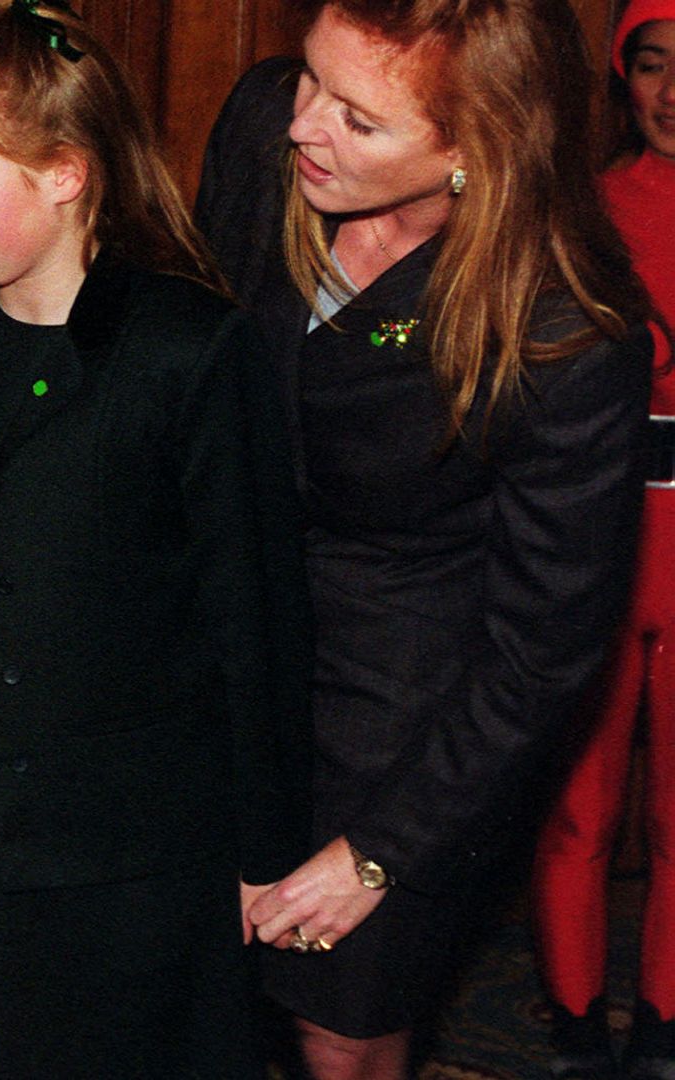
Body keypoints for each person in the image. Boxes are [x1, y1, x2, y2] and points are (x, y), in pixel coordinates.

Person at [194, 0, 656, 1075]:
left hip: (412, 729)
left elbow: (542, 654)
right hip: (229, 656)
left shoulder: (567, 331)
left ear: (473, 151)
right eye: (310, 80)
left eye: (360, 121)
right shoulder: (270, 132)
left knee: (335, 1026)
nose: (305, 125)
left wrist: (377, 856)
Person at [0, 3, 313, 1075]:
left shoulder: (189, 351)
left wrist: (265, 858)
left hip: (134, 867)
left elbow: (254, 623)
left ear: (65, 173)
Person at [529, 2, 675, 1076]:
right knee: (578, 807)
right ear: (623, 78)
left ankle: (666, 1026)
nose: (673, 93)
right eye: (654, 66)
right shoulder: (579, 213)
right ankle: (578, 1027)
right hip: (603, 534)